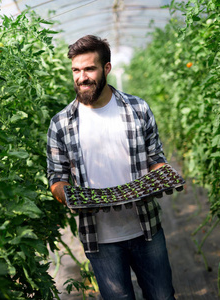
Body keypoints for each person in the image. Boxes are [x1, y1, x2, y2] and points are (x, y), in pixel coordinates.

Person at [46, 35, 176, 299]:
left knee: (162, 296)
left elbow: (155, 159)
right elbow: (56, 178)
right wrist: (70, 195)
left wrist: (162, 176)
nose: (82, 77)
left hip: (146, 229)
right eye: (76, 70)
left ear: (106, 69)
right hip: (99, 238)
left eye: (89, 69)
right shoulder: (60, 124)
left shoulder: (138, 109)